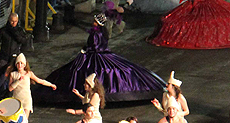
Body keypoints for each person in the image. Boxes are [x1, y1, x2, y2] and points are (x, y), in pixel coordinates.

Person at [35, 13, 165, 105]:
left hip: (94, 54)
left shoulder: (95, 33)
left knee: (80, 70)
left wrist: (85, 51)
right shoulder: (103, 32)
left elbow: (94, 46)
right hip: (104, 53)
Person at [8, 53, 56, 121]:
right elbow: (10, 89)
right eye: (18, 63)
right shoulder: (13, 74)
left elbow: (40, 81)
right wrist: (18, 81)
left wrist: (51, 85)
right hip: (17, 100)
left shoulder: (29, 73)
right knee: (16, 120)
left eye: (21, 63)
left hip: (26, 100)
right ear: (16, 64)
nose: (20, 65)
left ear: (24, 64)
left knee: (25, 121)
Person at [0, 12, 30, 88]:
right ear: (9, 20)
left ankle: (10, 88)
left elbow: (24, 41)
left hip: (14, 56)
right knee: (2, 74)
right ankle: (1, 89)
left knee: (13, 74)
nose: (14, 23)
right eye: (12, 21)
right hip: (4, 56)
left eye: (15, 21)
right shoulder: (3, 30)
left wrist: (16, 33)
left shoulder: (20, 30)